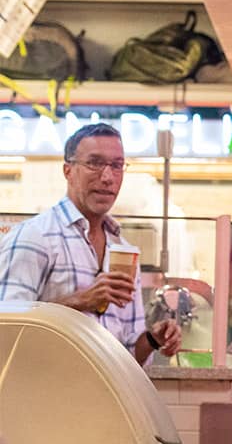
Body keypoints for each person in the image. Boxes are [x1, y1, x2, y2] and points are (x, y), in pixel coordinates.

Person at [0, 123, 180, 363]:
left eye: (117, 165)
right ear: (68, 171)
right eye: (94, 163)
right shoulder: (34, 237)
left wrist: (153, 339)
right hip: (46, 395)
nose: (107, 177)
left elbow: (127, 358)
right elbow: (7, 332)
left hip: (104, 397)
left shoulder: (122, 249)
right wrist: (80, 301)